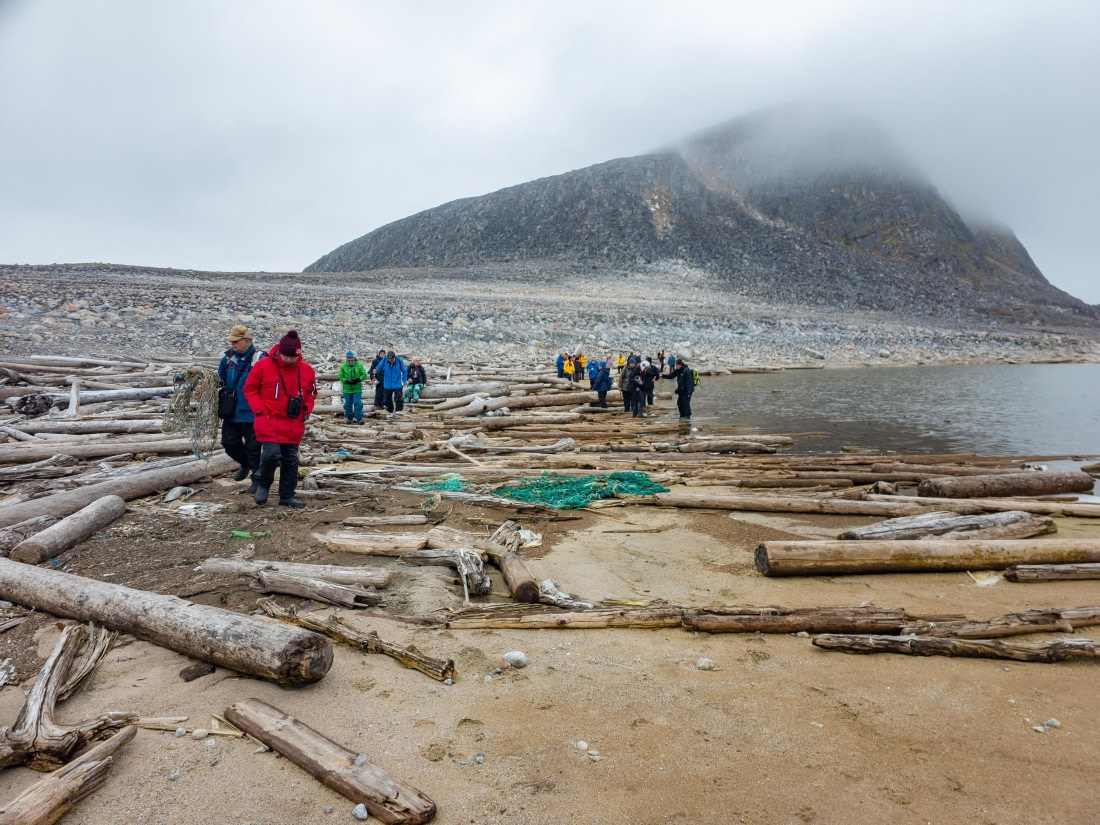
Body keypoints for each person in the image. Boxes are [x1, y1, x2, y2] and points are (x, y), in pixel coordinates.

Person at [243, 330, 317, 508]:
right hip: (268, 419)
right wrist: (259, 410)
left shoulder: (306, 370)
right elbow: (250, 389)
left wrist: (306, 409)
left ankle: (286, 496)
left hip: (293, 422)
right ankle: (263, 483)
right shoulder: (263, 366)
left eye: (293, 356)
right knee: (270, 455)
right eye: (286, 356)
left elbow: (311, 393)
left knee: (290, 459)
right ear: (279, 351)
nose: (290, 359)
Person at [217, 325, 262, 486]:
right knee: (228, 443)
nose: (233, 344)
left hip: (252, 413)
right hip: (232, 411)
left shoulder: (260, 359)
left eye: (236, 341)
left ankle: (257, 480)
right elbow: (220, 378)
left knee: (254, 447)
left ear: (247, 341)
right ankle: (245, 463)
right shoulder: (228, 358)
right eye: (231, 341)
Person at [338, 350, 368, 424]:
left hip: (357, 388)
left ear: (354, 359)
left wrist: (358, 379)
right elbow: (340, 376)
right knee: (347, 404)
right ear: (346, 360)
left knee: (357, 403)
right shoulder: (343, 366)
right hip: (347, 389)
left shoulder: (359, 365)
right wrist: (346, 381)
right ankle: (349, 418)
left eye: (352, 360)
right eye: (349, 360)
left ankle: (359, 418)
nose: (350, 362)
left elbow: (364, 375)